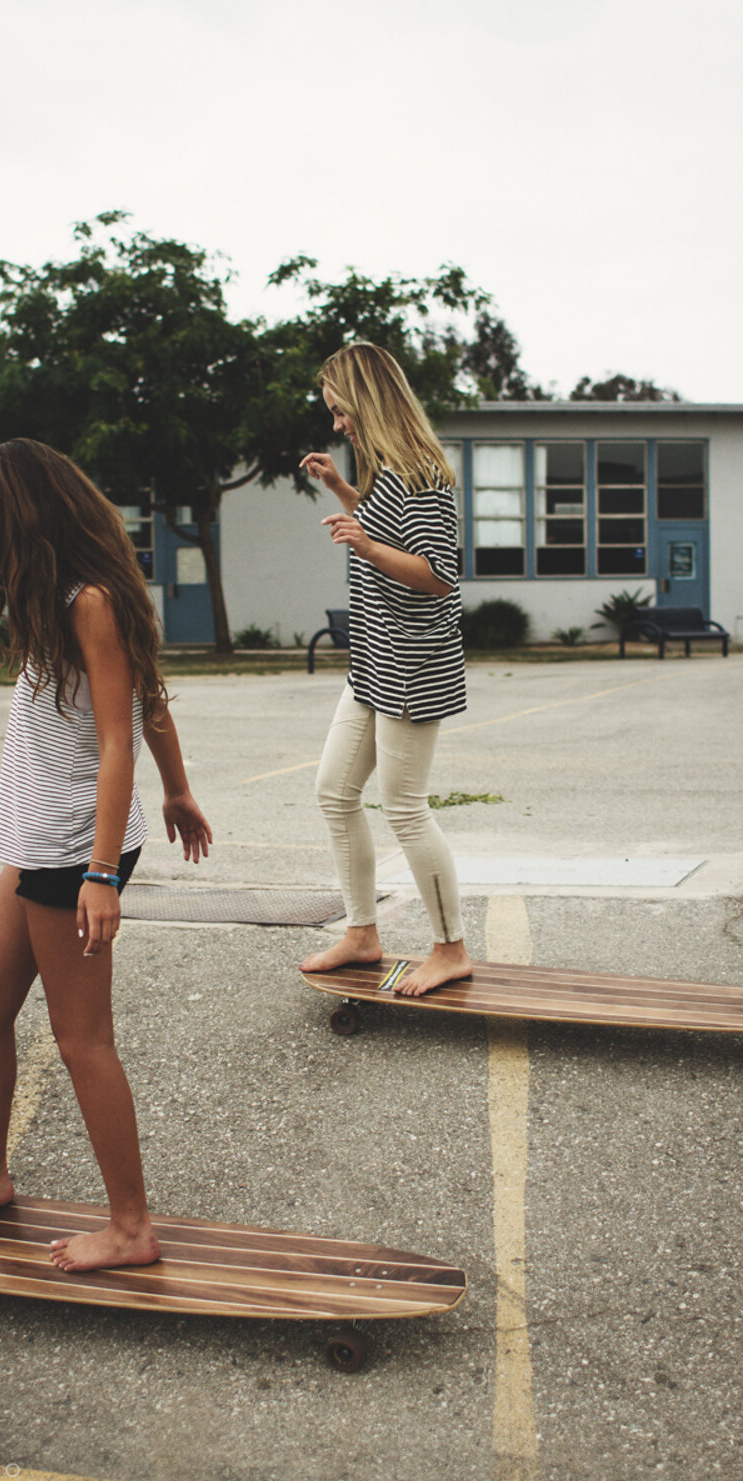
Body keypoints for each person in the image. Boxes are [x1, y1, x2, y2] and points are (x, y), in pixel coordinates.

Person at [0, 438, 211, 1272]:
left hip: (71, 850)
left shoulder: (89, 602)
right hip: (37, 843)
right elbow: (149, 700)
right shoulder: (60, 600)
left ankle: (130, 1227)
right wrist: (180, 790)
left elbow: (118, 740)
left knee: (82, 1039)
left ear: (20, 526)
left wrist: (103, 872)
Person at [298, 343, 472, 997]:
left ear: (366, 401)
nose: (338, 424)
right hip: (374, 661)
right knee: (334, 792)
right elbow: (392, 527)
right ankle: (363, 933)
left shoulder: (420, 471)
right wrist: (344, 490)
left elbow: (436, 573)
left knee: (404, 807)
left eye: (340, 411)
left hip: (411, 667)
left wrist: (363, 542)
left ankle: (450, 949)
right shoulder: (391, 472)